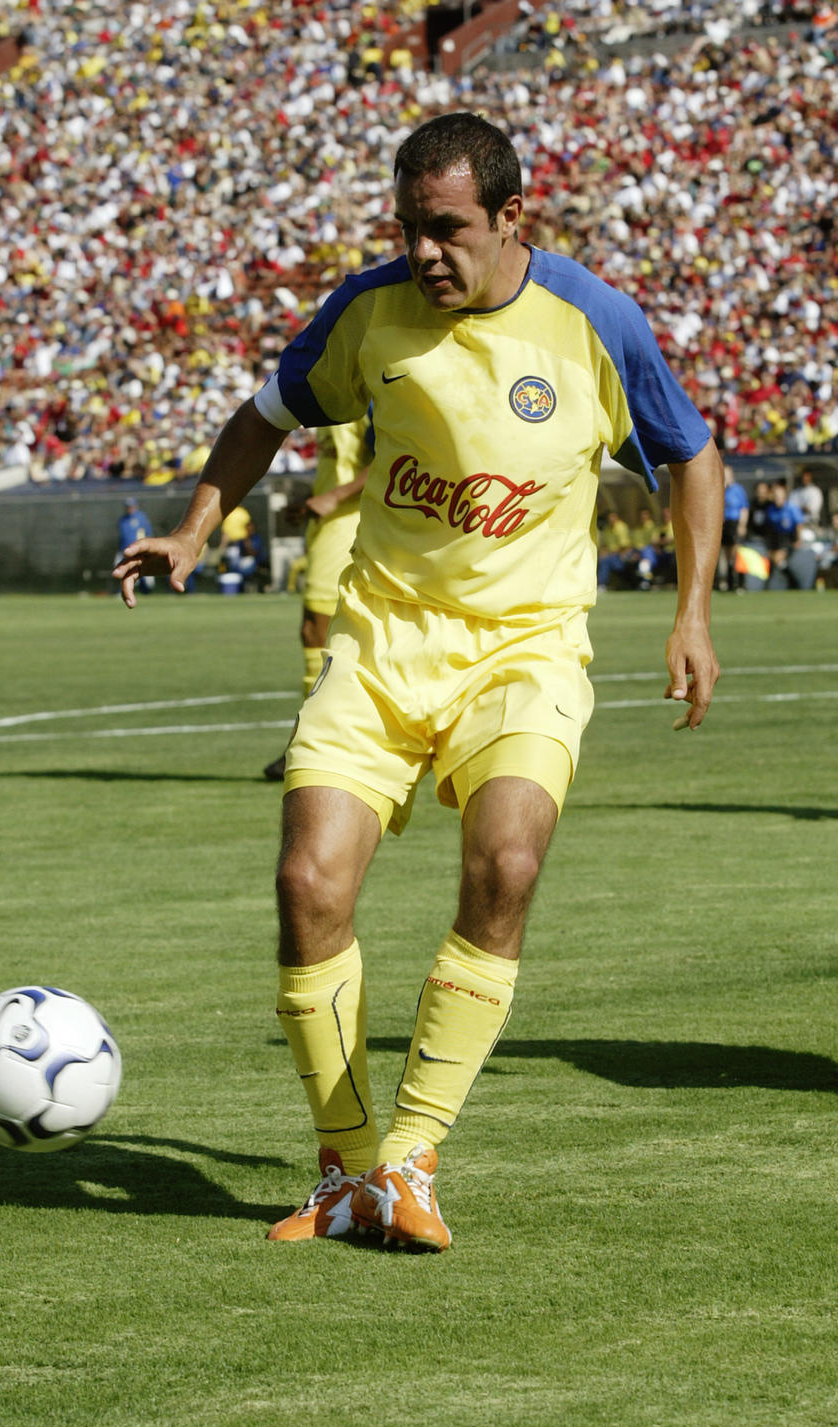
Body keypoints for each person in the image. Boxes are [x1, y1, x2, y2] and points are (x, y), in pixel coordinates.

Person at [114, 112, 722, 1252]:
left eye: (445, 230)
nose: (424, 253)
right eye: (408, 229)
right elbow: (266, 415)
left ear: (510, 218)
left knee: (507, 859)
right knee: (309, 882)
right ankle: (347, 1172)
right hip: (385, 638)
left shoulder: (596, 320)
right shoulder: (368, 311)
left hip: (528, 643)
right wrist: (198, 528)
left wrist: (691, 611)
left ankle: (414, 1157)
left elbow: (690, 452)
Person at [264, 415, 374, 781]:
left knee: (319, 629)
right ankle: (318, 743)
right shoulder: (337, 387)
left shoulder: (371, 383)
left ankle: (311, 746)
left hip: (350, 521)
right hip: (331, 521)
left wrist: (334, 496)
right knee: (326, 633)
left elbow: (395, 455)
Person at [719, 464, 749, 593]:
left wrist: (742, 525)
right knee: (725, 553)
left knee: (735, 552)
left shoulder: (738, 490)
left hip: (734, 522)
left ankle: (739, 582)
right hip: (723, 523)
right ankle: (728, 582)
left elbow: (744, 508)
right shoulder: (720, 489)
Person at [115, 498, 154, 594]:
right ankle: (122, 591)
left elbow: (148, 533)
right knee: (120, 570)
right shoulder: (122, 520)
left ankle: (146, 592)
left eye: (131, 506)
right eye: (127, 506)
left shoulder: (141, 517)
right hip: (124, 550)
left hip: (139, 551)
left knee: (144, 573)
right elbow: (122, 536)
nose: (129, 508)